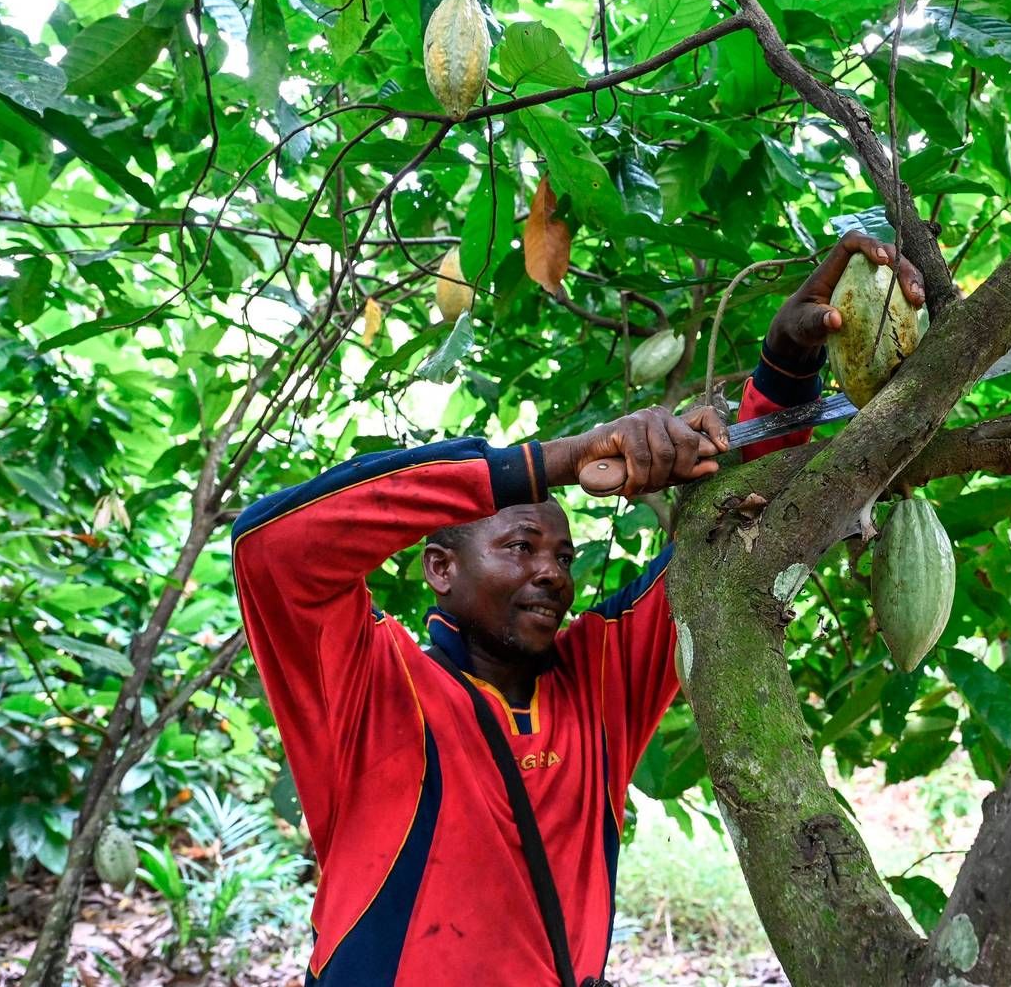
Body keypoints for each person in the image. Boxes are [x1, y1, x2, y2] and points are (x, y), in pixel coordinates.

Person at [231, 233, 924, 985]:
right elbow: (272, 547)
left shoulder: (598, 681)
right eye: (521, 547)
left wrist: (788, 366)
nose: (551, 574)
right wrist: (553, 460)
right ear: (440, 566)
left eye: (562, 556)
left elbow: (735, 543)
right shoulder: (372, 689)